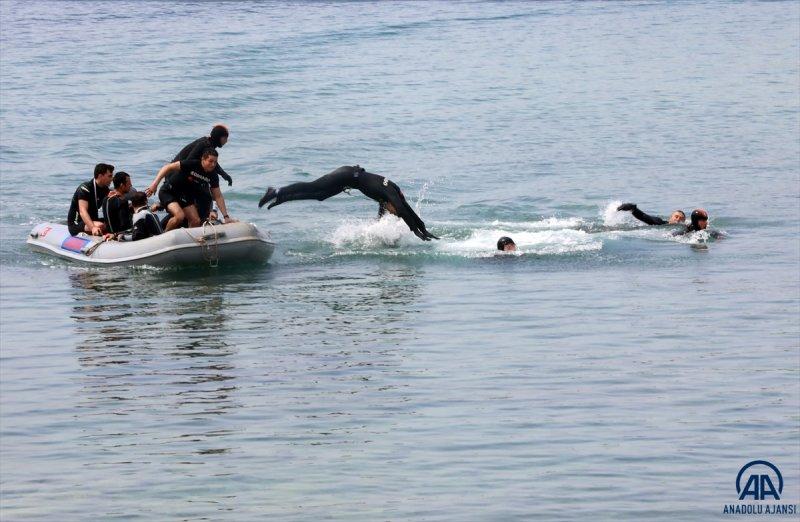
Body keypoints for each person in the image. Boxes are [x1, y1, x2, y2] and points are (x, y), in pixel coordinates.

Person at [258, 165, 438, 241]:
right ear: (394, 201)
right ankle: (276, 191)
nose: (392, 212)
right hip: (347, 174)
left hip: (349, 180)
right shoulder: (391, 194)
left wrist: (424, 229)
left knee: (320, 196)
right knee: (314, 186)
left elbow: (407, 210)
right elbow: (403, 211)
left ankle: (283, 198)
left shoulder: (390, 197)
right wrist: (417, 232)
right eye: (393, 211)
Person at [145, 148, 237, 231]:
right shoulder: (192, 164)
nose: (213, 164)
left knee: (195, 221)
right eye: (210, 161)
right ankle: (164, 236)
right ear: (203, 159)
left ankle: (189, 241)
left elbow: (218, 196)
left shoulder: (213, 176)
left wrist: (226, 217)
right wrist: (154, 185)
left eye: (215, 162)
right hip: (169, 191)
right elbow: (167, 167)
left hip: (184, 196)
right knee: (179, 216)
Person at [173, 124, 233, 221]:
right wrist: (224, 175)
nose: (226, 141)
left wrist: (224, 174)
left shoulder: (208, 144)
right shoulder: (204, 144)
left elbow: (212, 163)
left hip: (188, 174)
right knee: (205, 194)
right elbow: (189, 161)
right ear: (219, 138)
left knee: (205, 193)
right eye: (225, 138)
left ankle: (205, 215)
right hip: (176, 175)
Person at [67, 163, 114, 236]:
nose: (112, 179)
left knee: (114, 222)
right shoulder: (85, 189)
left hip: (93, 219)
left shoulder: (105, 190)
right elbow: (83, 211)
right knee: (100, 226)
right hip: (76, 223)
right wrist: (93, 228)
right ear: (100, 176)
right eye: (109, 176)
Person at [616, 203, 685, 226]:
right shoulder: (660, 222)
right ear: (670, 217)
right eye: (676, 216)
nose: (678, 219)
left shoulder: (684, 227)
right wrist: (633, 209)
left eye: (681, 219)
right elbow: (644, 217)